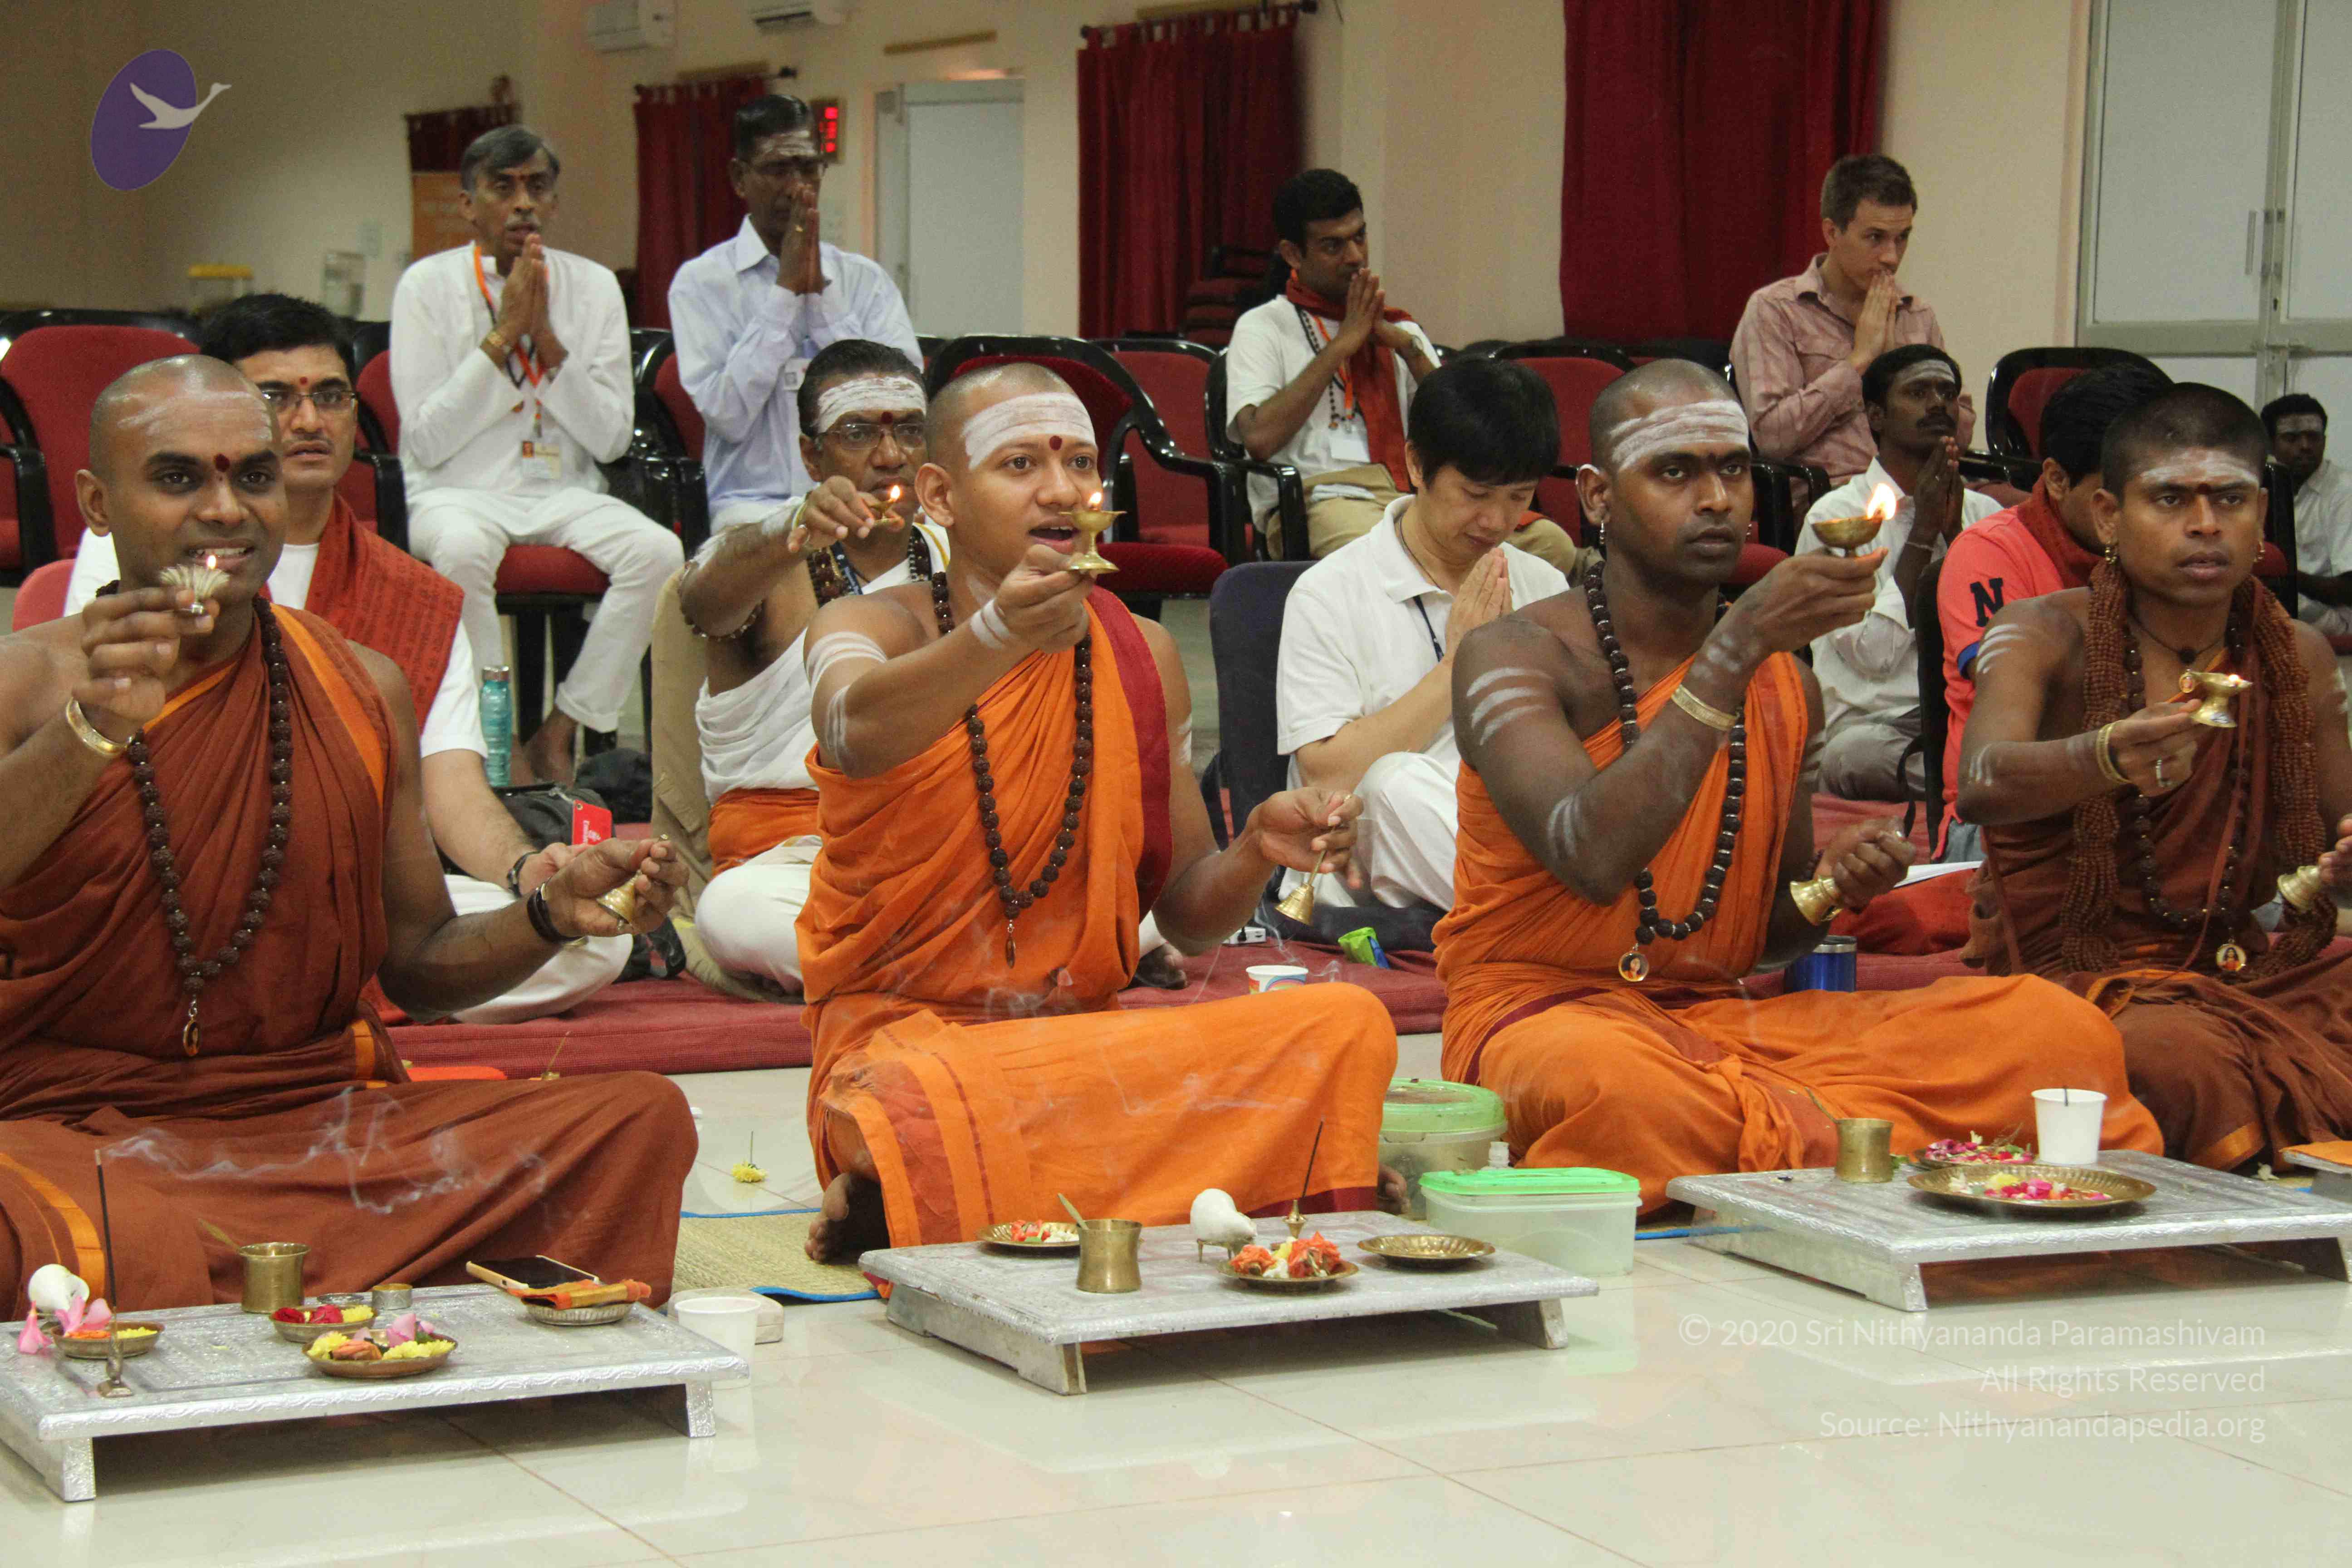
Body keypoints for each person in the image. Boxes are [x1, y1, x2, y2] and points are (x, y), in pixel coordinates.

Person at [0, 358, 693, 1318]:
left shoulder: (359, 685)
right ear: (97, 503)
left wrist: (547, 916)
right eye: (178, 478)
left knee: (636, 1119)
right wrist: (92, 729)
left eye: (252, 476)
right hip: (73, 1129)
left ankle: (219, 1276)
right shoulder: (27, 681)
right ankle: (326, 1274)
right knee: (39, 1226)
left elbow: (418, 960)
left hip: (315, 1126)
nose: (224, 510)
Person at [1431, 361, 2159, 1210]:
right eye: (1675, 472)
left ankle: (1780, 1147)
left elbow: (1761, 939)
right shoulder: (1514, 655)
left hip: (1716, 1021)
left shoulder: (1786, 685)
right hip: (1539, 1019)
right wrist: (1735, 648)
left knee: (2052, 1031)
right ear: (1596, 496)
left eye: (1732, 469)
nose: (1715, 500)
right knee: (1622, 1093)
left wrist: (1830, 889)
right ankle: (1821, 1149)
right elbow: (1590, 857)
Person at [793, 363, 1399, 1259]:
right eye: (1020, 465)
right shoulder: (869, 625)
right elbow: (851, 729)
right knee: (909, 1100)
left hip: (1084, 1052)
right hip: (911, 1049)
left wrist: (1253, 851)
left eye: (1080, 463)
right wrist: (999, 635)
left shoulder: (1140, 650)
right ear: (940, 496)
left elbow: (1186, 916)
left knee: (1344, 1025)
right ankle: (1255, 1166)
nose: (1061, 490)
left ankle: (947, 1190)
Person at [62, 295, 630, 1024]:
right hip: (164, 887)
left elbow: (450, 787)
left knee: (588, 942)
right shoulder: (138, 553)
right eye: (276, 397)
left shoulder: (415, 597)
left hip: (341, 896)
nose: (308, 421)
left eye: (330, 397)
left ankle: (314, 991)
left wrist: (530, 876)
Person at [1957, 384, 2352, 1169]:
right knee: (2177, 1059)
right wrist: (2102, 756)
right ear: (2108, 516)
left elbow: (2333, 835)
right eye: (2170, 499)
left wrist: (2342, 864)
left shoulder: (2296, 654)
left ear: (2260, 516)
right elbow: (1981, 781)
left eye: (2228, 499)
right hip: (2082, 972)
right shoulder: (2041, 631)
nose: (2204, 524)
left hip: (2239, 965)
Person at [390, 124, 684, 785]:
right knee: (462, 550)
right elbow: (428, 440)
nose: (523, 203)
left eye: (537, 187)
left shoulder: (594, 286)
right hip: (454, 491)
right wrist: (503, 339)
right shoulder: (425, 286)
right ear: (469, 205)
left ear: (553, 202)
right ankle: (498, 740)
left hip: (565, 491)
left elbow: (611, 439)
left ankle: (562, 729)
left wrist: (545, 339)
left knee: (659, 553)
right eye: (503, 187)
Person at [678, 339, 947, 994]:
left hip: (939, 847)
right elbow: (700, 603)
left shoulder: (958, 556)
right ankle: (981, 962)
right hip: (794, 863)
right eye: (858, 433)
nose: (891, 455)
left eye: (910, 431)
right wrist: (789, 529)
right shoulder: (765, 560)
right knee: (733, 913)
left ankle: (918, 965)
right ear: (810, 455)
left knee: (1124, 888)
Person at [1275, 358, 1576, 921]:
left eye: (1519, 497)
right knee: (1394, 785)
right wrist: (1458, 664)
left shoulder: (1543, 585)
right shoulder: (1328, 593)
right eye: (1476, 493)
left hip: (1512, 834)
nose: (1496, 521)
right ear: (1416, 464)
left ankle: (1548, 913)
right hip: (1381, 849)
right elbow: (1330, 777)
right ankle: (1553, 922)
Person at [1225, 168, 1582, 573]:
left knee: (1551, 547)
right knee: (1390, 559)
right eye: (1333, 246)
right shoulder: (1264, 326)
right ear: (1293, 254)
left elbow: (1463, 428)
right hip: (1322, 498)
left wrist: (1409, 349)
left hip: (1415, 493)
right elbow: (1259, 439)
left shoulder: (1399, 329)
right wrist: (1343, 344)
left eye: (1360, 237)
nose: (1355, 256)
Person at [1936, 364, 2171, 854]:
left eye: (2164, 495)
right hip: (2013, 816)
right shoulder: (1990, 551)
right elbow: (2028, 699)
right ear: (2059, 480)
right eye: (2123, 495)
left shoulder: (2179, 555)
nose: (2150, 515)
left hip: (2156, 805)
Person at [668, 94, 921, 526]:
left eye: (809, 168)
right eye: (778, 169)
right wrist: (785, 294)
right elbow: (728, 416)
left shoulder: (865, 280)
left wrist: (823, 299)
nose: (797, 186)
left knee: (938, 541)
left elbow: (901, 401)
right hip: (751, 505)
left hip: (863, 496)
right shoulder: (701, 283)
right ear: (739, 178)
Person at [1794, 345, 1999, 800]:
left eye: (1947, 393)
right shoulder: (1835, 517)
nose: (1938, 403)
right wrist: (1923, 533)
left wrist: (1956, 538)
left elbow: (1999, 639)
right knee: (1853, 756)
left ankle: (1979, 776)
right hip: (1879, 727)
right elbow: (1876, 655)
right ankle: (1982, 782)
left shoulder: (1984, 514)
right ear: (1877, 416)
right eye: (1918, 392)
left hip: (1970, 715)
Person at [1730, 154, 1975, 480]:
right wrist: (1859, 363)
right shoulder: (1775, 309)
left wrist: (1904, 379)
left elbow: (1963, 431)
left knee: (2022, 506)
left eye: (1902, 237)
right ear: (1832, 232)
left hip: (1928, 486)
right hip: (1837, 493)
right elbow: (1773, 437)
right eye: (1875, 238)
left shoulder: (1916, 314)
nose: (1892, 257)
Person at [2264, 393, 2352, 638]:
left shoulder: (2345, 492)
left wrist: (2280, 574)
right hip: (2296, 606)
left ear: (2324, 440)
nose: (2305, 446)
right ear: (2270, 445)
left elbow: (2349, 591)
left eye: (2313, 437)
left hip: (2339, 616)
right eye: (2292, 438)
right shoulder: (2267, 484)